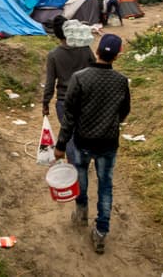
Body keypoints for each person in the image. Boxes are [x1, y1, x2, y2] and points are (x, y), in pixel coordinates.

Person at [54, 33, 130, 255]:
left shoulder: (80, 78)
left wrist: (60, 145)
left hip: (82, 141)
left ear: (97, 51)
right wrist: (110, 122)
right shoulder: (121, 81)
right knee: (105, 186)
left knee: (82, 179)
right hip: (108, 143)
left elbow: (69, 116)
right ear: (116, 56)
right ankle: (101, 232)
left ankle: (81, 213)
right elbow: (124, 111)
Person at [42, 16, 95, 162]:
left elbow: (50, 82)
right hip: (85, 99)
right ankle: (84, 159)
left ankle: (74, 164)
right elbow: (95, 68)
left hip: (64, 101)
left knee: (69, 134)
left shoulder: (54, 55)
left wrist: (45, 103)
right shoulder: (85, 48)